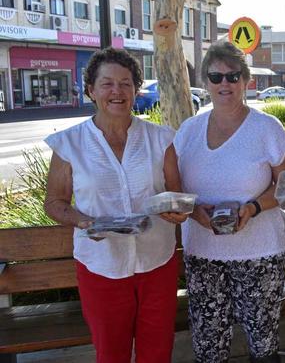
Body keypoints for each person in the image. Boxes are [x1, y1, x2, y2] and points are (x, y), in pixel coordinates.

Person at [43, 47, 187, 363]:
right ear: (91, 90)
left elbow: (177, 196)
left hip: (157, 263)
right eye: (107, 83)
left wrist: (175, 211)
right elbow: (54, 202)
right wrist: (84, 221)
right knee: (111, 354)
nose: (117, 91)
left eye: (125, 83)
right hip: (100, 264)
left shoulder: (161, 139)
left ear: (136, 90)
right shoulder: (70, 144)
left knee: (158, 352)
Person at [173, 41, 285, 363]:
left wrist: (252, 208)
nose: (224, 84)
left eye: (233, 76)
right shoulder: (188, 131)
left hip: (260, 254)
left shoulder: (267, 128)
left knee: (262, 343)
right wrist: (193, 210)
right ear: (205, 82)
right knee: (208, 346)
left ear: (246, 80)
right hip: (204, 254)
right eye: (215, 77)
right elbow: (174, 187)